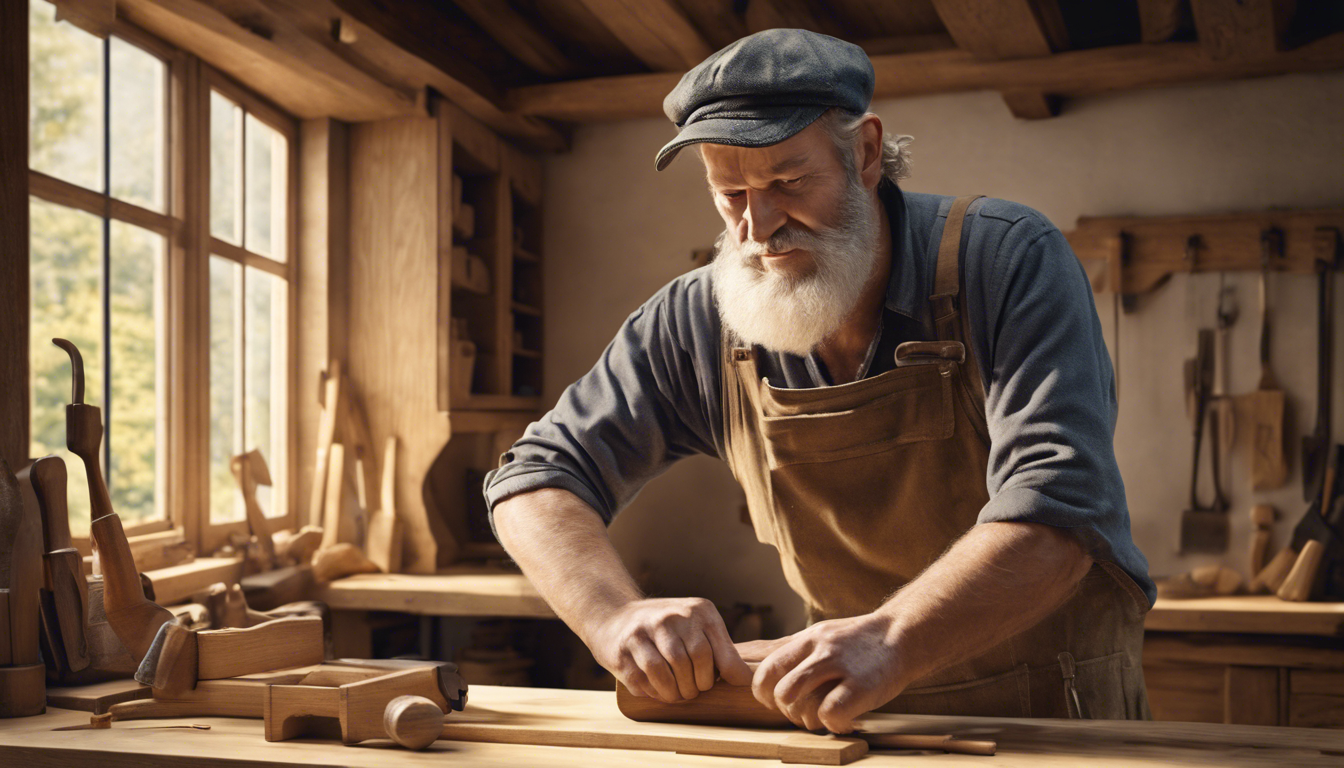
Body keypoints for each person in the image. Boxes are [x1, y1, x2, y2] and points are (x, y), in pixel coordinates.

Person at [484, 28, 1153, 733]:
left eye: (787, 182)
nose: (759, 228)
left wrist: (890, 640)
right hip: (851, 723)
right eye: (730, 193)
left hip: (1055, 718)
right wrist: (612, 615)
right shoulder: (698, 319)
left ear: (865, 152)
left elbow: (1061, 510)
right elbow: (535, 475)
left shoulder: (1006, 260)